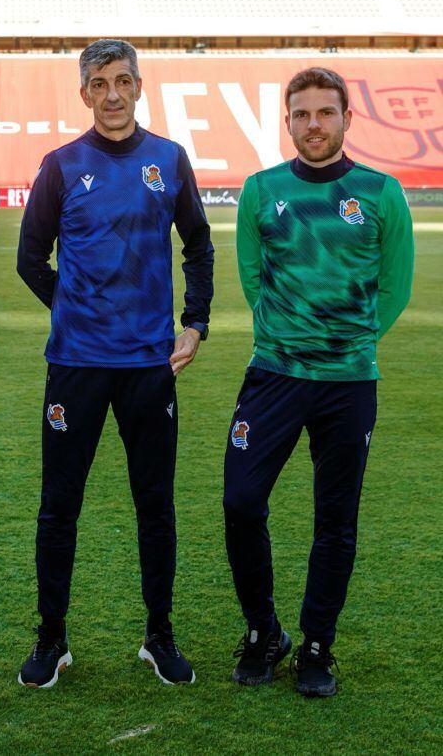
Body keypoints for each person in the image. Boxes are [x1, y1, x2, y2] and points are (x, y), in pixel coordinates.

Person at [16, 39, 214, 688]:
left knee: (155, 505)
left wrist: (195, 322)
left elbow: (199, 245)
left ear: (138, 85)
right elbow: (30, 258)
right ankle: (52, 637)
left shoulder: (169, 159)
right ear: (84, 93)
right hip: (76, 365)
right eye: (99, 82)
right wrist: (72, 309)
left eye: (122, 80)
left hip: (150, 368)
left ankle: (159, 635)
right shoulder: (61, 165)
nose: (112, 93)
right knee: (57, 506)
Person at [224, 68, 414, 697]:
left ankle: (315, 646)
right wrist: (290, 335)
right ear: (287, 121)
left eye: (325, 113)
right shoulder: (260, 190)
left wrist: (346, 342)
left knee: (336, 518)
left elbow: (395, 288)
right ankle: (263, 631)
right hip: (274, 375)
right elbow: (253, 281)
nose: (314, 125)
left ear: (346, 120)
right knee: (241, 502)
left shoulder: (382, 193)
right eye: (301, 114)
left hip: (348, 383)